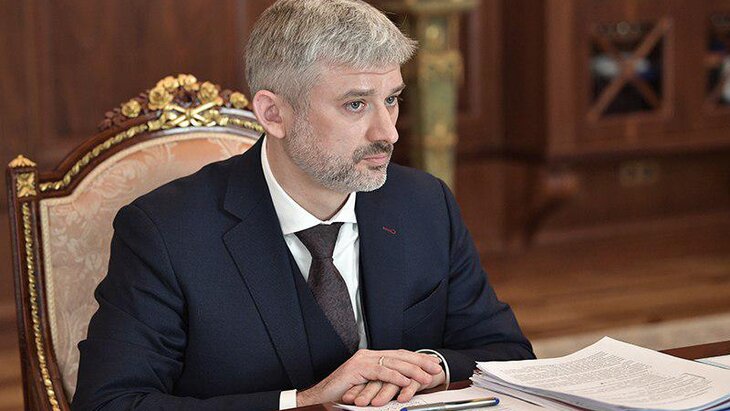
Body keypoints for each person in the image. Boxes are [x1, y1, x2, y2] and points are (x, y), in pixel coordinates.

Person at [72, 0, 534, 410]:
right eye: (356, 105)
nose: (388, 132)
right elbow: (110, 402)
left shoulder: (424, 203)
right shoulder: (165, 231)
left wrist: (428, 367)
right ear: (273, 114)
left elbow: (509, 355)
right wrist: (303, 402)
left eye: (391, 99)